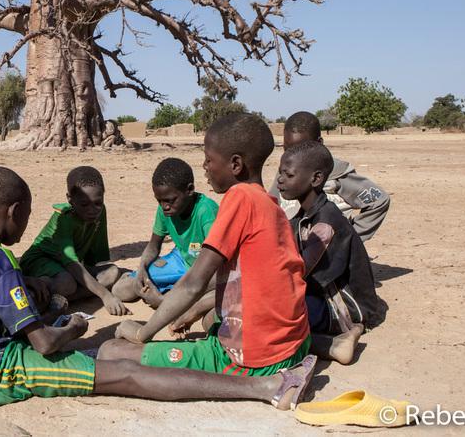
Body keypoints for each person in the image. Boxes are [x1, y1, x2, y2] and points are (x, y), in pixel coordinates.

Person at [0, 167, 316, 409]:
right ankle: (264, 388)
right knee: (125, 374)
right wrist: (74, 329)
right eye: (25, 215)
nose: (26, 224)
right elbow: (44, 344)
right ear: (14, 211)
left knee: (108, 353)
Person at [109, 114, 315, 393]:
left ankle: (263, 385)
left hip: (258, 358)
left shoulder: (239, 198)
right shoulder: (269, 203)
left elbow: (195, 282)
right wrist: (191, 312)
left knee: (111, 351)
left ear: (236, 164)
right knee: (209, 320)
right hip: (295, 343)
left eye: (208, 159)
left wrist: (142, 332)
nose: (204, 167)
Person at [276, 140, 385, 365]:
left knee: (268, 316)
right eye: (280, 173)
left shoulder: (326, 224)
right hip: (320, 296)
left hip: (345, 309)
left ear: (316, 179)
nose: (279, 179)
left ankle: (332, 345)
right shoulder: (302, 217)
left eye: (288, 174)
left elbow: (299, 275)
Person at [19, 166, 128, 315]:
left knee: (112, 272)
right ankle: (34, 294)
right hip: (40, 261)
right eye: (84, 204)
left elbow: (91, 258)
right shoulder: (64, 219)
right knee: (67, 283)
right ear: (70, 199)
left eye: (98, 203)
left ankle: (59, 298)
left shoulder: (100, 213)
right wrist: (105, 295)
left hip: (68, 269)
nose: (92, 210)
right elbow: (72, 264)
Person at [112, 158, 218, 310]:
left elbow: (217, 265)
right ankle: (169, 289)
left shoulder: (206, 212)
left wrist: (163, 300)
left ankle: (170, 293)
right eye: (159, 201)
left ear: (189, 190)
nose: (164, 207)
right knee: (122, 290)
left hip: (206, 272)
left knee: (184, 302)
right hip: (181, 260)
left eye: (169, 200)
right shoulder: (165, 209)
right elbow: (154, 246)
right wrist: (142, 269)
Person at [273, 111, 390, 242]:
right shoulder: (286, 172)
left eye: (302, 149)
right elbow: (272, 203)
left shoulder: (337, 174)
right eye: (288, 150)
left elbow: (379, 200)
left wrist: (349, 237)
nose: (292, 157)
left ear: (319, 143)